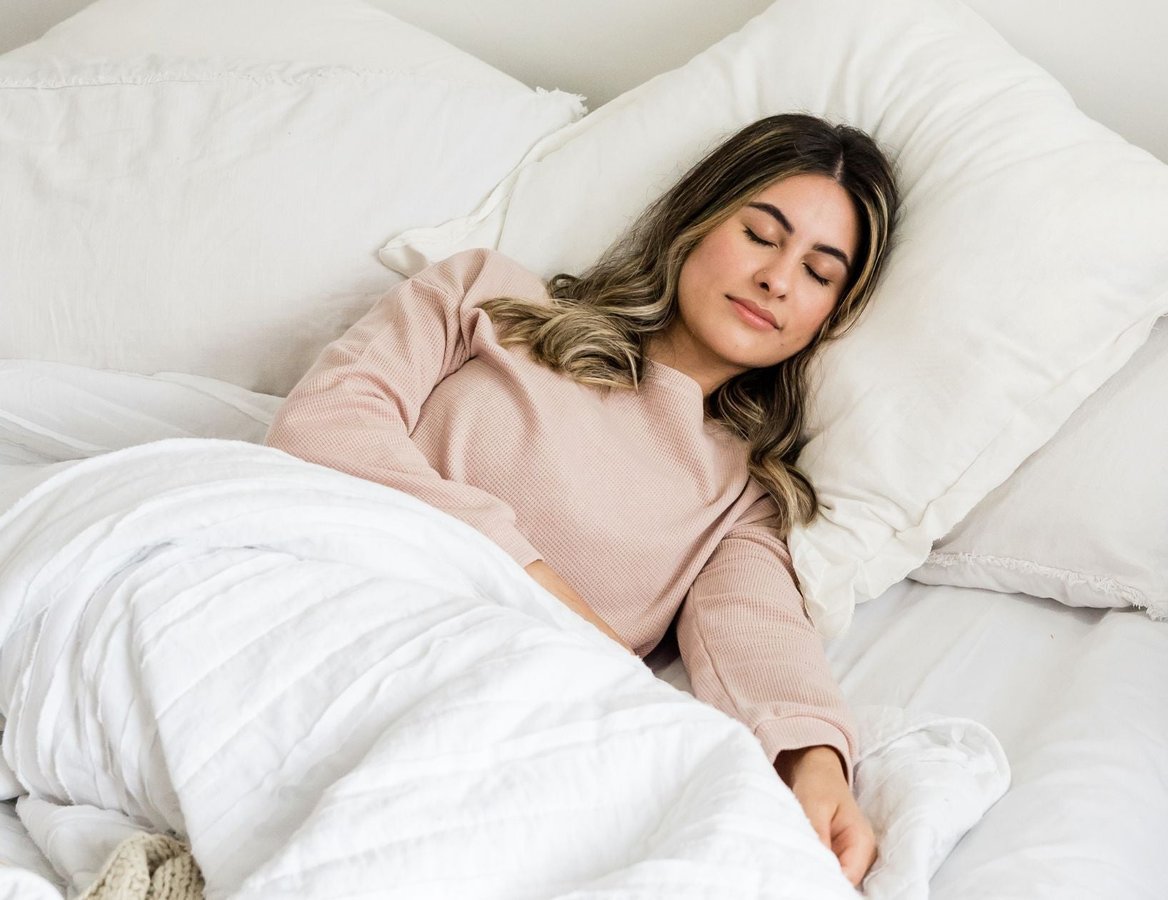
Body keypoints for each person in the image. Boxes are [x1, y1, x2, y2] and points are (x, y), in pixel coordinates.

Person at [264, 112, 900, 888]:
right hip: (319, 602)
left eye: (820, 272)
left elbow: (757, 634)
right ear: (695, 220)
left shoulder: (739, 498)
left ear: (826, 319)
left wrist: (818, 762)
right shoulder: (486, 296)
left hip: (479, 722)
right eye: (762, 234)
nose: (778, 278)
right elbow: (325, 422)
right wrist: (531, 577)